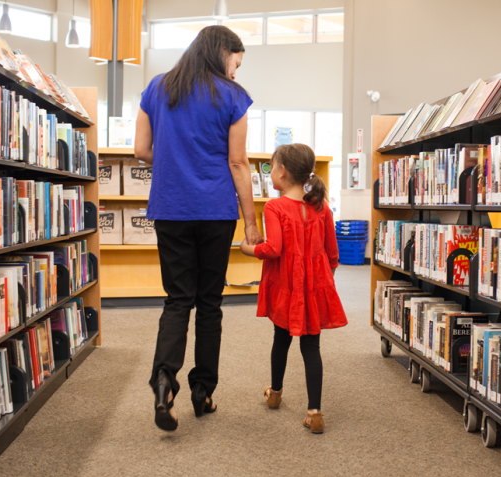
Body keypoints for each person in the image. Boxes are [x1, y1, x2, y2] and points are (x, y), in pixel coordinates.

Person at [135, 26, 263, 432]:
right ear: (223, 52)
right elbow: (238, 163)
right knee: (209, 303)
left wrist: (176, 166)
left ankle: (163, 380)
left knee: (177, 300)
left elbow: (141, 151)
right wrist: (251, 222)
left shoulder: (157, 87)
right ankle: (202, 391)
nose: (235, 73)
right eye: (235, 63)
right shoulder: (232, 97)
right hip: (215, 211)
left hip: (170, 209)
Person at [239, 143, 347, 434]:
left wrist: (246, 248)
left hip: (286, 286)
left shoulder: (275, 206)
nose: (271, 171)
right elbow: (332, 253)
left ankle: (275, 393)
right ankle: (315, 412)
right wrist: (322, 280)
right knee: (312, 346)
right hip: (313, 286)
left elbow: (273, 249)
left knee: (281, 336)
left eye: (272, 167)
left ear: (282, 171)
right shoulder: (321, 206)